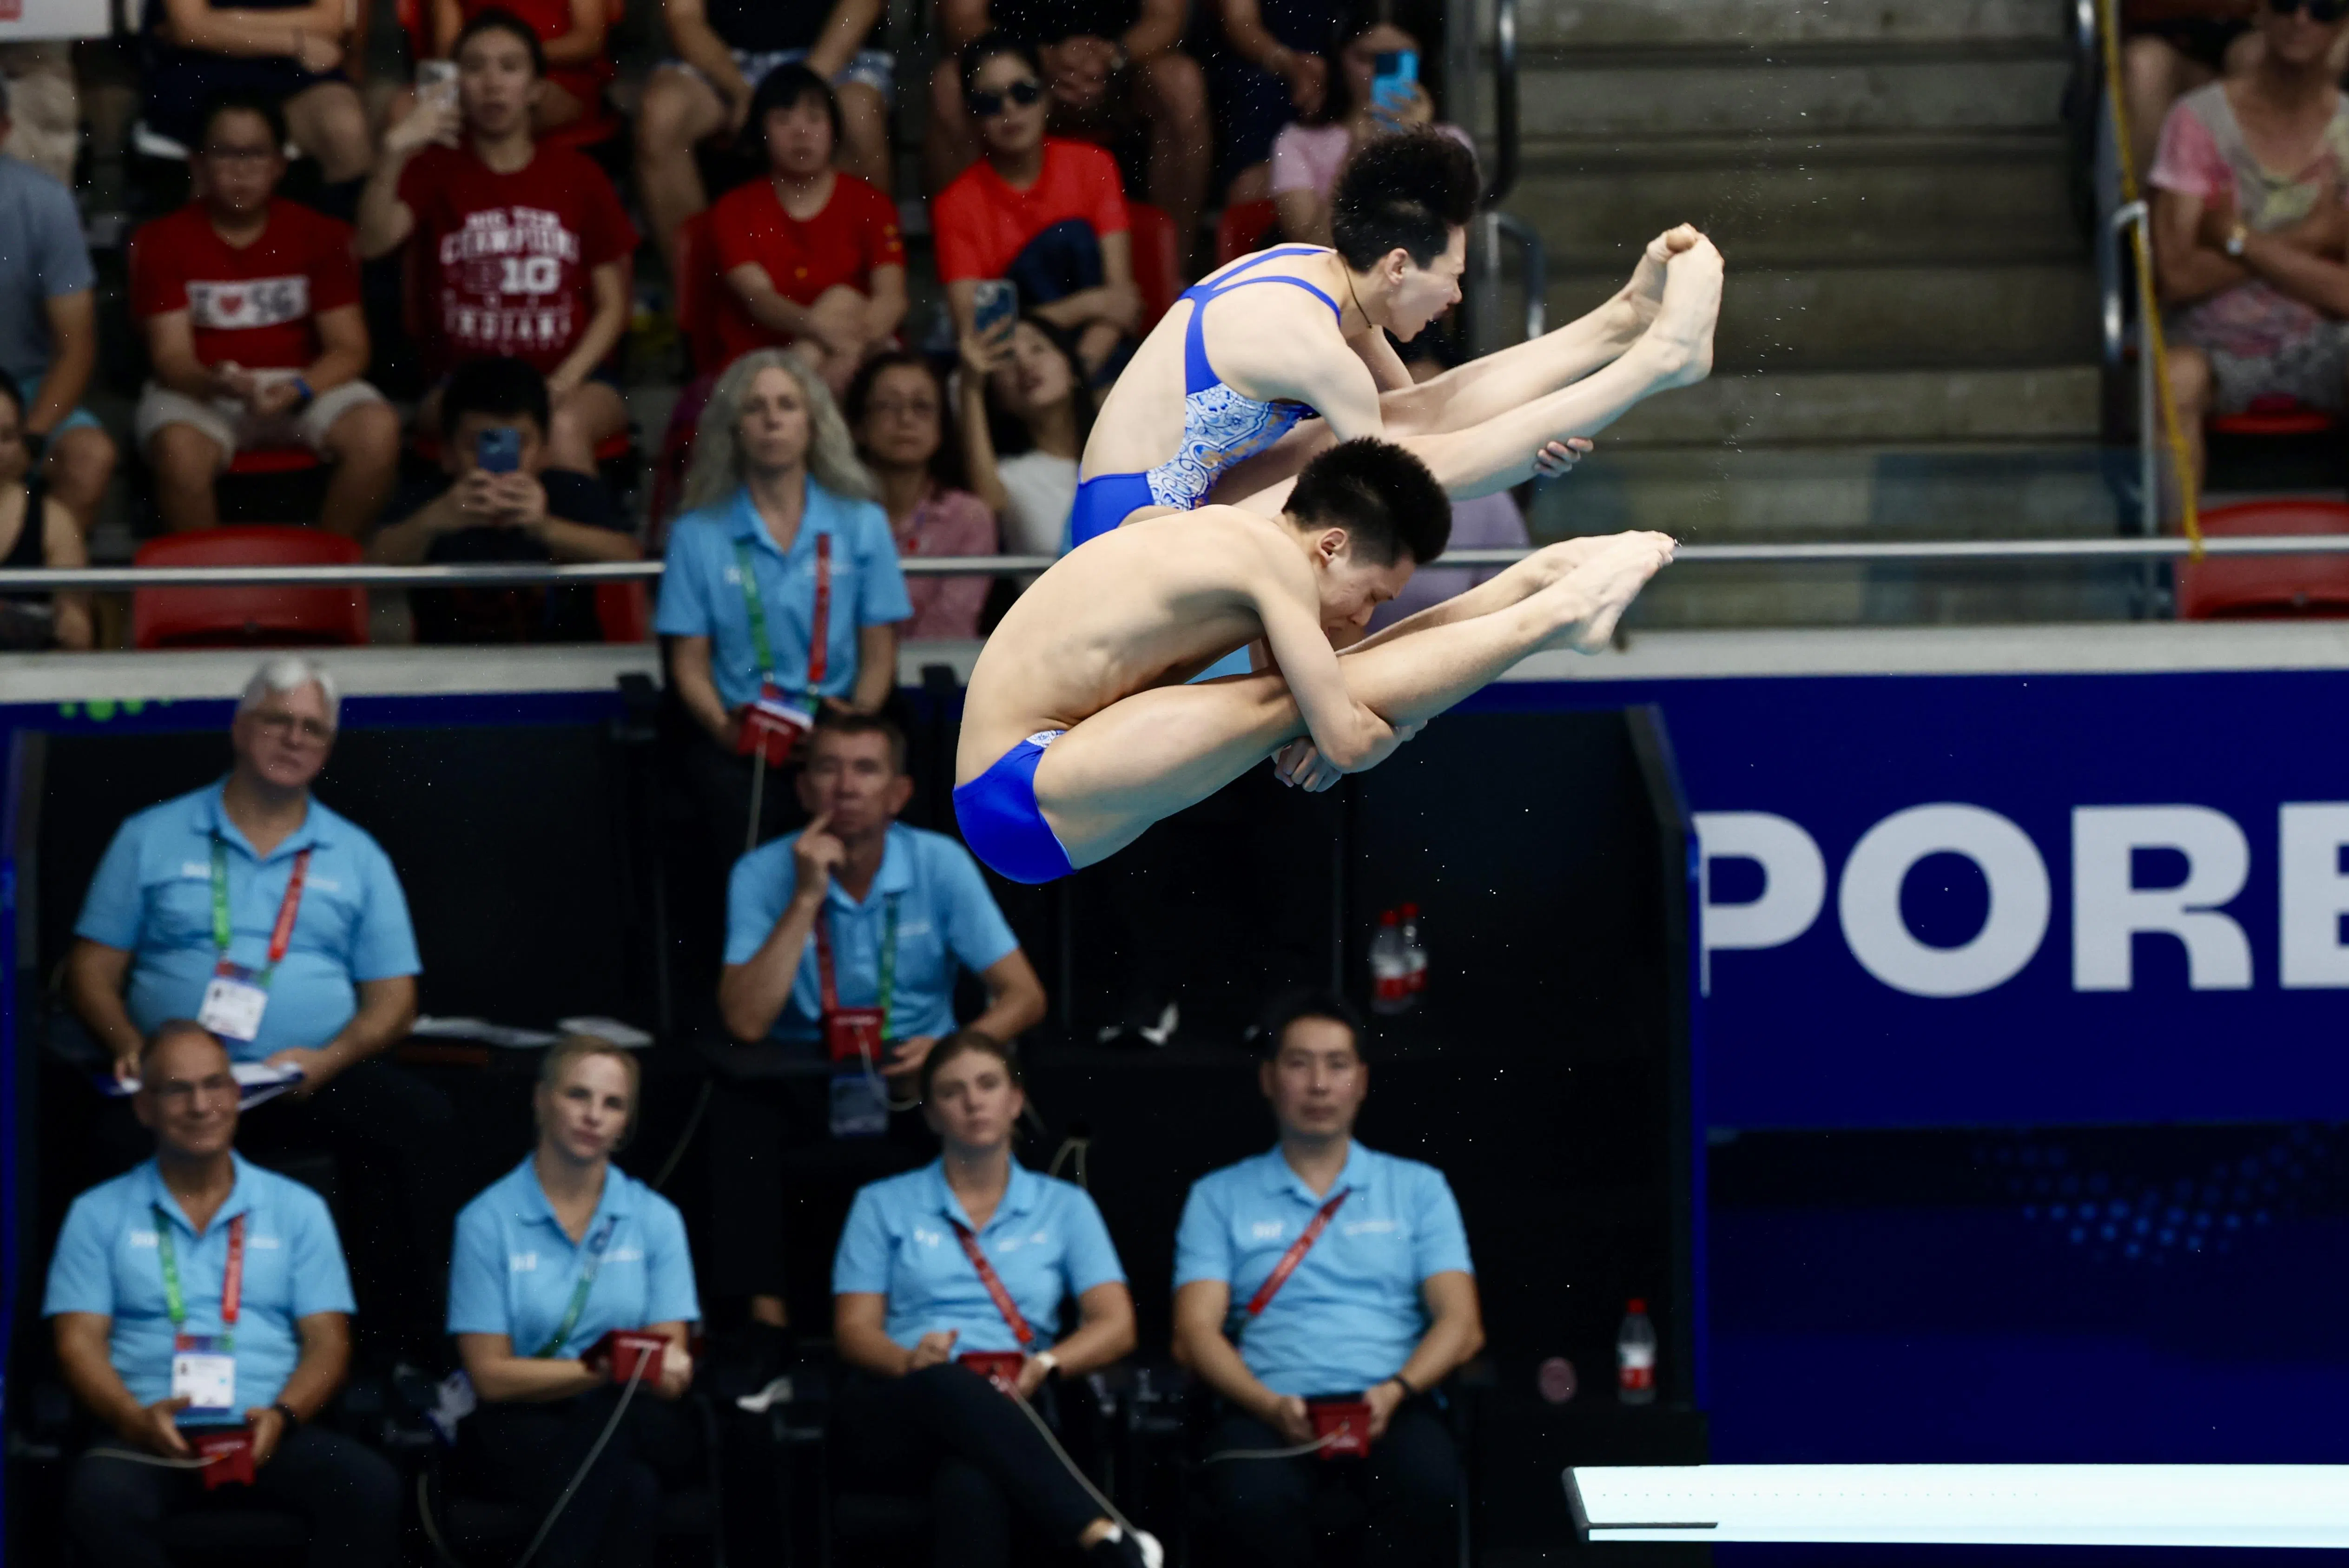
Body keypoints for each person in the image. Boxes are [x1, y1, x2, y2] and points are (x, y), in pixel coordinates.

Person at [952, 438, 1677, 883]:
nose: (1362, 616)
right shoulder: (1271, 563)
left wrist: (1343, 724)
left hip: (1032, 783)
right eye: (1371, 594)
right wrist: (1394, 728)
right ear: (1331, 545)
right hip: (1023, 782)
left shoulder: (1225, 542)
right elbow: (1349, 737)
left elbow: (1335, 697)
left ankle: (1534, 580)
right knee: (1301, 699)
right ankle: (1555, 614)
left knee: (1309, 691)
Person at [62, 656, 458, 1357]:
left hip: (308, 1076)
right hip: (180, 1080)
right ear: (242, 728)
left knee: (422, 1123)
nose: (294, 739)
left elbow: (395, 998)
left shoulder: (356, 855)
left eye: (313, 728)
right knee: (102, 1137)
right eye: (279, 720)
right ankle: (109, 1350)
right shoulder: (150, 835)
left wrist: (330, 1057)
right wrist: (129, 1043)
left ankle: (400, 1358)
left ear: (328, 748)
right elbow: (91, 970)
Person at [1070, 130, 1723, 545]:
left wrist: (1529, 438)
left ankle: (1621, 321)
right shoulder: (1314, 348)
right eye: (1452, 278)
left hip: (1174, 505)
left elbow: (1421, 409)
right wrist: (1526, 444)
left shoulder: (1314, 272)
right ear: (1399, 266)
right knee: (1383, 474)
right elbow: (1408, 479)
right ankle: (1655, 363)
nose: (1456, 299)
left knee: (1392, 429)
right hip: (1129, 536)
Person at [710, 711, 1048, 1330]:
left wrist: (950, 1048)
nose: (845, 786)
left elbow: (1023, 996)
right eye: (827, 768)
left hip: (912, 1068)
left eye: (866, 769)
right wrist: (805, 896)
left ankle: (955, 1311)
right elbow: (746, 1022)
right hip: (803, 1066)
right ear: (804, 788)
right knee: (737, 1116)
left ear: (898, 793)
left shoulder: (939, 862)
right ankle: (765, 1331)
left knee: (977, 1096)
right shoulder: (760, 872)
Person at [46, 1021, 400, 1568]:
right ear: (144, 1107)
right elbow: (78, 1342)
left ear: (237, 1096)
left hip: (268, 1428)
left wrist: (283, 1415)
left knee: (369, 1485)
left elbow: (328, 1342)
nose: (200, 1105)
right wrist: (133, 1419)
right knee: (99, 1498)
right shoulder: (97, 1212)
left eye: (215, 1084)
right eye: (177, 1089)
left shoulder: (298, 1208)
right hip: (148, 1432)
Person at [1172, 993, 1485, 1567]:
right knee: (1249, 1500)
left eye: (1336, 1065)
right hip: (1267, 1406)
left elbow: (1461, 1323)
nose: (1318, 1084)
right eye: (1299, 1063)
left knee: (1427, 1484)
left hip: (1392, 1403)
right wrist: (1268, 1404)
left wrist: (1397, 1389)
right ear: (1268, 1078)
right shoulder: (1217, 1195)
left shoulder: (1419, 1188)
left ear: (1361, 1081)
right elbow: (1194, 1331)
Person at [831, 1030, 1156, 1568]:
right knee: (946, 1381)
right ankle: (1099, 1531)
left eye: (987, 1084)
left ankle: (1106, 1542)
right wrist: (909, 1361)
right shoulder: (881, 1203)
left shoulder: (1065, 1206)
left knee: (971, 1483)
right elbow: (853, 1329)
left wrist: (1046, 1363)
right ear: (931, 1114)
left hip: (1016, 1401)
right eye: (951, 1091)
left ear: (1015, 1099)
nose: (973, 1101)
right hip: (905, 1402)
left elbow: (1116, 1324)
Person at [656, 350, 911, 1016]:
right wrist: (726, 730)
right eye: (756, 407)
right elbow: (688, 663)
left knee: (861, 810)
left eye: (787, 405)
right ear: (734, 428)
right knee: (735, 837)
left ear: (812, 423)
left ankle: (858, 997)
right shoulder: (697, 533)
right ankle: (742, 1005)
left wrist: (854, 724)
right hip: (740, 735)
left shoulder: (860, 521)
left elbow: (880, 650)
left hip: (839, 724)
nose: (772, 419)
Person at [446, 1037, 703, 1568]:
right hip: (525, 1417)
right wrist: (601, 1369)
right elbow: (490, 1376)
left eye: (613, 1103)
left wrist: (618, 1375)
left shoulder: (656, 1218)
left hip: (634, 1412)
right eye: (578, 1094)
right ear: (541, 1099)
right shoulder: (485, 1221)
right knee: (633, 1488)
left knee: (616, 1421)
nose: (593, 1115)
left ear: (626, 1122)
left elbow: (670, 1375)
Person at [359, 8, 639, 473]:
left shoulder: (580, 176)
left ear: (536, 89)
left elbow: (613, 305)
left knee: (560, 428)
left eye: (510, 68)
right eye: (474, 68)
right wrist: (394, 150)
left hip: (573, 378)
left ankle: (574, 523)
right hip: (461, 383)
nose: (492, 83)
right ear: (456, 86)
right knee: (488, 433)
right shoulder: (432, 169)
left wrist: (562, 383)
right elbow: (372, 244)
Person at [130, 90, 400, 539]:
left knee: (378, 432)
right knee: (179, 452)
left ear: (279, 165)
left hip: (302, 383)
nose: (241, 170)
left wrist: (297, 388)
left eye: (255, 155)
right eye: (225, 154)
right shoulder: (163, 240)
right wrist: (214, 383)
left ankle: (328, 568)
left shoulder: (321, 234)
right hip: (204, 388)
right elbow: (171, 359)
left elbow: (349, 349)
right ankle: (208, 579)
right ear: (198, 164)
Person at [2152, 0, 2349, 490]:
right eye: (2285, 2)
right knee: (2173, 380)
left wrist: (2235, 239)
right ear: (2259, 13)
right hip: (2209, 338)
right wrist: (2308, 239)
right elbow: (2176, 277)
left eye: (2323, 7)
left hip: (2326, 338)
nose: (2301, 19)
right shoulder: (2196, 119)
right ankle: (2172, 542)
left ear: (2342, 26)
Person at [368, 355, 640, 641]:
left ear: (546, 450)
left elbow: (629, 557)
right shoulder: (430, 495)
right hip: (453, 662)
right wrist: (433, 521)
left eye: (517, 445)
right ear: (447, 453)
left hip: (563, 659)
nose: (498, 461)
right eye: (478, 446)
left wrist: (547, 528)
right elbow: (372, 566)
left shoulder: (570, 490)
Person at [927, 0, 1207, 271]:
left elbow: (1165, 17)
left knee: (1181, 83)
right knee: (949, 87)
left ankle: (1171, 275)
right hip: (1020, 73)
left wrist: (1112, 56)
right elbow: (963, 20)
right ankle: (969, 276)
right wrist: (1041, 60)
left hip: (1119, 75)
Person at [635, 0, 894, 281]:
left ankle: (855, 290)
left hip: (831, 54)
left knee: (859, 115)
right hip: (721, 60)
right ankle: (703, 293)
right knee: (663, 116)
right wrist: (740, 91)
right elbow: (684, 17)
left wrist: (801, 85)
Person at [933, 35, 1142, 380]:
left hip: (1096, 359)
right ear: (973, 118)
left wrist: (1076, 378)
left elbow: (1121, 302)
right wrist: (1088, 304)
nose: (1010, 110)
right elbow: (977, 334)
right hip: (1013, 372)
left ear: (1046, 98)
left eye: (1024, 93)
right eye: (989, 103)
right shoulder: (955, 204)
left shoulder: (1094, 166)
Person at [707, 63, 908, 389]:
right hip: (762, 359)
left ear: (834, 130)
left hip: (861, 354)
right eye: (783, 120)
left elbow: (892, 299)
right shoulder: (733, 210)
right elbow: (758, 298)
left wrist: (848, 350)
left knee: (843, 301)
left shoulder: (871, 203)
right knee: (837, 308)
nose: (801, 132)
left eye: (814, 119)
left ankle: (799, 395)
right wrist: (817, 326)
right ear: (761, 133)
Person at [0, 76, 117, 536]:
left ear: (4, 130)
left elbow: (76, 348)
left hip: (26, 386)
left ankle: (52, 575)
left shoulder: (45, 203)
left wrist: (29, 439)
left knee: (89, 457)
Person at [1267, 13, 1474, 248]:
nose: (1378, 72)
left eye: (1396, 59)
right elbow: (1310, 250)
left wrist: (1420, 146)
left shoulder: (1451, 142)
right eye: (1366, 58)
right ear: (1340, 59)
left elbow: (1448, 249)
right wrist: (1360, 155)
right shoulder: (1297, 141)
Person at [1367, 344, 1527, 632]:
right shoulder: (1346, 487)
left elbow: (1512, 604)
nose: (1419, 418)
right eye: (1403, 404)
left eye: (1435, 404)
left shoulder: (1489, 495)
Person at [141, 0, 373, 191]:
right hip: (202, 66)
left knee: (344, 127)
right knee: (227, 141)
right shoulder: (298, 43)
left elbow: (329, 23)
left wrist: (230, 19)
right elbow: (189, 28)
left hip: (294, 71)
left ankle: (340, 229)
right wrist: (294, 42)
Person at [845, 349, 996, 639]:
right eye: (888, 406)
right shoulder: (834, 514)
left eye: (922, 407)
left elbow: (948, 627)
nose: (906, 419)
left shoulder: (968, 518)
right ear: (859, 427)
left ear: (941, 428)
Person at [960, 314, 1092, 562]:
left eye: (1038, 348)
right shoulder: (1010, 476)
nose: (1025, 364)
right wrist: (971, 386)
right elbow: (987, 505)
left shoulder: (1119, 457)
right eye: (1008, 358)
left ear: (1073, 370)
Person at [1208, 0, 1348, 204]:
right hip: (1271, 71)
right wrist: (1291, 66)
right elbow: (1240, 22)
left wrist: (1336, 78)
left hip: (1344, 62)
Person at [0, 376, 93, 650]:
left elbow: (78, 633)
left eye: (6, 437)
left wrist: (68, 622)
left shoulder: (55, 522)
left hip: (28, 670)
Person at [2125, 1, 2260, 183]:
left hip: (2245, 27)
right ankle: (2150, 193)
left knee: (2256, 57)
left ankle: (2256, 192)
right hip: (2164, 31)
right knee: (2145, 65)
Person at [433, 0, 611, 132]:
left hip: (558, 75)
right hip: (479, 72)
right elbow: (447, 51)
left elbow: (589, 41)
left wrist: (518, 56)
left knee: (527, 102)